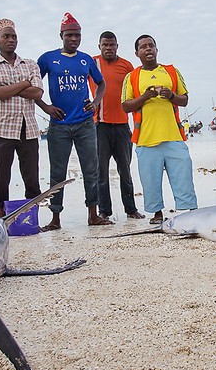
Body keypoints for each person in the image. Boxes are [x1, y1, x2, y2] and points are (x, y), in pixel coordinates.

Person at [36, 13, 111, 229]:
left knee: (91, 169)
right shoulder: (48, 59)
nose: (74, 39)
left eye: (77, 35)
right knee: (57, 172)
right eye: (69, 35)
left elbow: (101, 83)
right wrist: (46, 107)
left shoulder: (86, 59)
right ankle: (55, 218)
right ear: (61, 35)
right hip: (59, 125)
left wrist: (96, 102)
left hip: (85, 124)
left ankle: (93, 214)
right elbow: (34, 86)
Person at [121, 34, 197, 224]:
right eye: (143, 47)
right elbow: (126, 105)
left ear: (156, 49)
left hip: (174, 136)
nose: (148, 49)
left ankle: (187, 210)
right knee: (150, 180)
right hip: (146, 139)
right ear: (137, 53)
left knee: (183, 174)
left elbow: (185, 99)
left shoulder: (172, 71)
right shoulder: (132, 77)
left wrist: (171, 95)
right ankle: (156, 213)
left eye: (151, 46)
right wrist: (145, 97)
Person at [0, 18, 43, 217]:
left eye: (13, 36)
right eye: (5, 36)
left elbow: (37, 94)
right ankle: (2, 220)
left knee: (32, 178)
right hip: (2, 129)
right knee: (1, 179)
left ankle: (32, 218)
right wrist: (24, 83)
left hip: (29, 129)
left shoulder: (30, 64)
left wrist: (7, 88)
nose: (10, 40)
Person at [91, 31, 145, 221]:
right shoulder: (92, 63)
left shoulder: (126, 66)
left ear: (117, 46)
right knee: (101, 172)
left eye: (112, 45)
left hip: (123, 126)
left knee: (125, 170)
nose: (108, 48)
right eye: (105, 45)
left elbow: (134, 92)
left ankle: (130, 209)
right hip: (100, 126)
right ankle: (104, 211)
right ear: (99, 46)